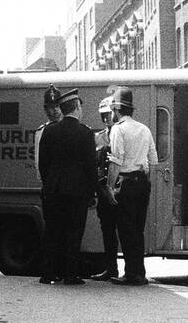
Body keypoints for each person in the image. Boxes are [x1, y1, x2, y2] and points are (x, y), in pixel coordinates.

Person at [36, 87, 97, 285]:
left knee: (53, 231)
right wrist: (92, 191)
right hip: (77, 193)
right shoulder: (86, 133)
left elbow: (43, 164)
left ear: (63, 109)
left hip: (53, 190)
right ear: (77, 107)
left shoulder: (49, 131)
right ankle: (70, 274)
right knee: (74, 232)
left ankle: (49, 273)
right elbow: (90, 166)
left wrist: (49, 184)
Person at [106, 86, 157, 285]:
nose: (112, 114)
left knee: (126, 230)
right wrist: (146, 182)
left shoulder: (118, 129)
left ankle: (131, 274)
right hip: (142, 183)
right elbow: (153, 160)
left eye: (112, 111)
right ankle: (139, 272)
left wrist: (110, 187)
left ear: (117, 110)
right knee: (138, 228)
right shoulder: (144, 129)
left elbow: (116, 161)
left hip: (126, 183)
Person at [91, 96, 121, 281]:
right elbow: (94, 165)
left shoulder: (123, 133)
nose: (105, 119)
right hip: (104, 189)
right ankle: (111, 268)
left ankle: (133, 270)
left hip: (121, 189)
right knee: (108, 231)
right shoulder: (98, 137)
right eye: (102, 115)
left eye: (108, 114)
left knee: (126, 230)